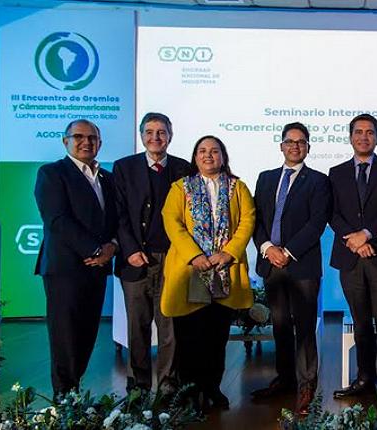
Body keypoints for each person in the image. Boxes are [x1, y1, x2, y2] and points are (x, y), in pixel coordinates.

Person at [160, 135, 255, 411]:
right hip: (190, 270)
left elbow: (247, 220)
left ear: (223, 156)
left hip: (224, 270)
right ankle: (189, 391)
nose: (208, 155)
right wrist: (195, 255)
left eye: (214, 151)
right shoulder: (180, 187)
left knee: (217, 336)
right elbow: (172, 222)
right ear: (195, 157)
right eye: (202, 150)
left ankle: (212, 388)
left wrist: (229, 253)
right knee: (189, 337)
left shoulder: (238, 187)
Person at [250, 122, 332, 415]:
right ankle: (285, 380)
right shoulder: (266, 178)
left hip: (302, 265)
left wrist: (287, 252)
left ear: (308, 147)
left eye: (301, 142)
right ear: (281, 145)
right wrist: (267, 248)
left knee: (305, 327)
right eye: (289, 141)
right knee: (281, 325)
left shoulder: (319, 181)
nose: (295, 146)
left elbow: (317, 223)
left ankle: (307, 385)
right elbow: (256, 220)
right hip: (271, 263)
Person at [34, 119, 118, 396]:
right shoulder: (52, 173)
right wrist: (95, 250)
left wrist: (111, 247)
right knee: (65, 337)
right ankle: (63, 398)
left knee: (86, 335)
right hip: (65, 269)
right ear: (65, 141)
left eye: (92, 138)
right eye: (79, 136)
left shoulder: (107, 178)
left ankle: (74, 395)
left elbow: (115, 219)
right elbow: (57, 219)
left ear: (100, 143)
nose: (86, 142)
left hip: (97, 268)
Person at [329, 114, 377, 406]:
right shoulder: (336, 172)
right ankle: (364, 379)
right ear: (350, 137)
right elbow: (332, 213)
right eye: (358, 132)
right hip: (351, 259)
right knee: (360, 325)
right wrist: (354, 240)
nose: (364, 137)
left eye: (369, 132)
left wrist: (367, 234)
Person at [113, 112, 190, 395]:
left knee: (170, 327)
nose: (155, 137)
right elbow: (117, 214)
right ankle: (138, 386)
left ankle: (169, 384)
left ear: (170, 135)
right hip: (135, 261)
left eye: (161, 132)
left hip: (172, 261)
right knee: (138, 326)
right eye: (149, 132)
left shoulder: (184, 168)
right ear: (141, 135)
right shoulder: (124, 167)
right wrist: (130, 250)